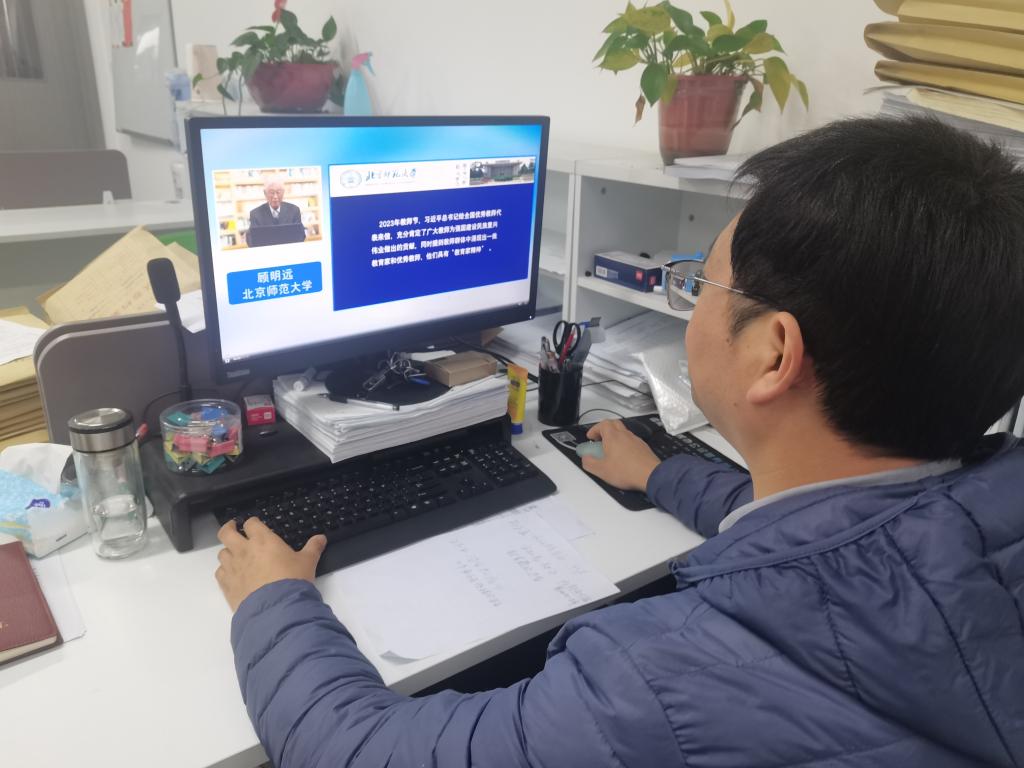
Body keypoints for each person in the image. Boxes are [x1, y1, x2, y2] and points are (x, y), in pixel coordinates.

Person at [214, 117, 1024, 767]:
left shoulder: (655, 689)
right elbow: (851, 544)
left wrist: (270, 603)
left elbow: (357, 752)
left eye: (700, 283)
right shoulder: (983, 520)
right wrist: (664, 477)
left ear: (773, 354)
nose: (693, 304)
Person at [246, 176, 305, 246]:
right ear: (265, 193)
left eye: (278, 192)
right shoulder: (255, 214)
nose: (275, 196)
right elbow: (251, 239)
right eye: (272, 192)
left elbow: (301, 235)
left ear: (283, 193)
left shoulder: (294, 210)